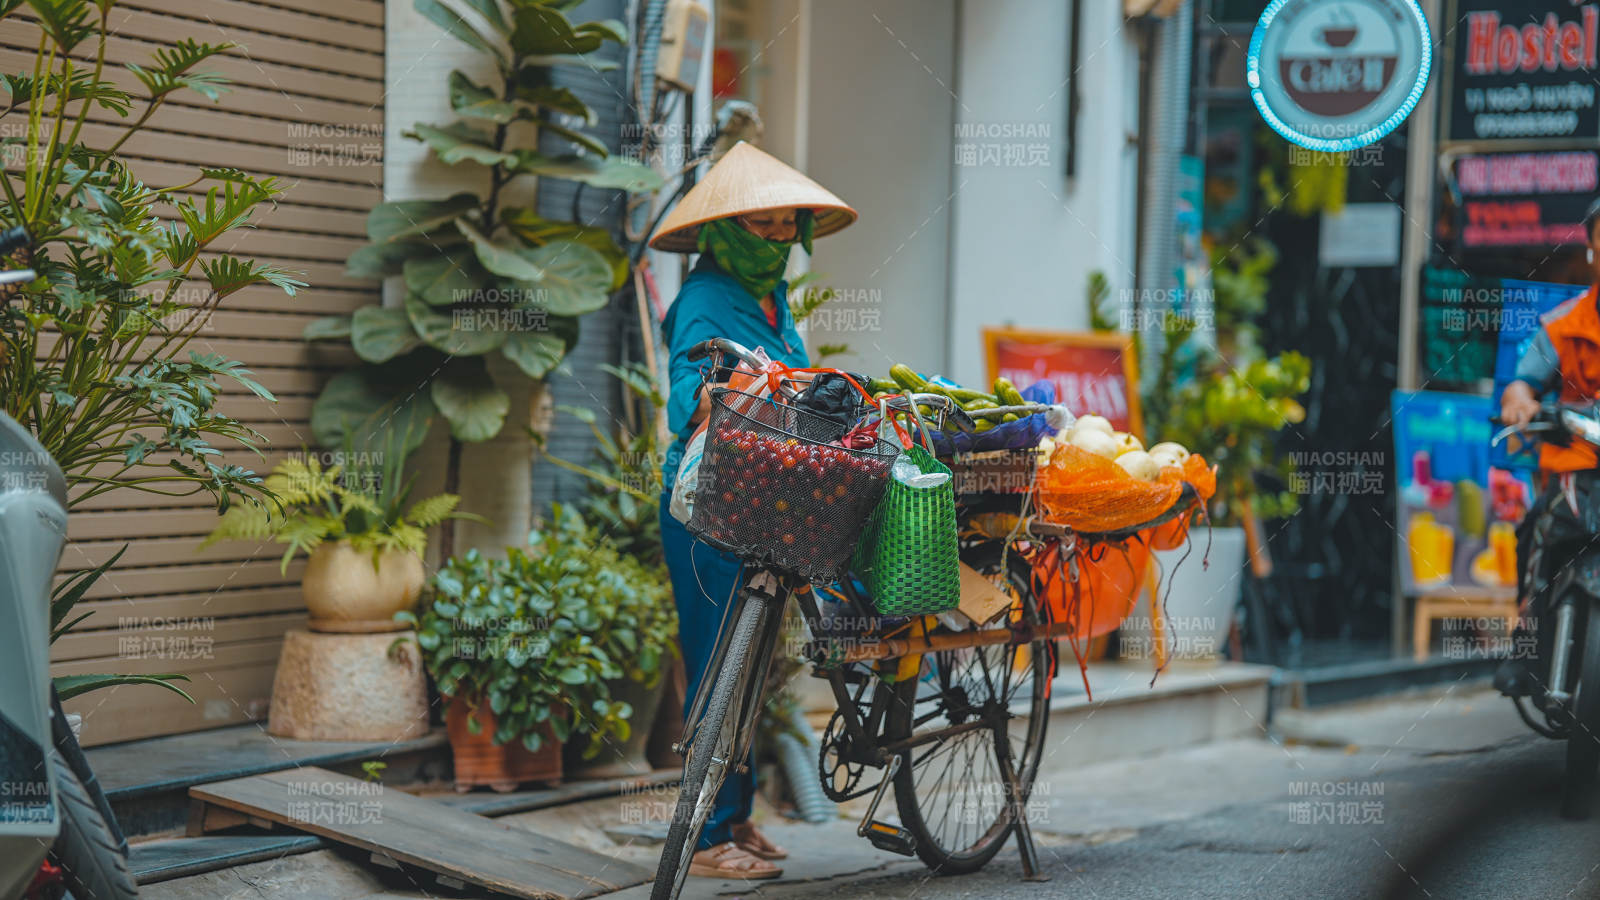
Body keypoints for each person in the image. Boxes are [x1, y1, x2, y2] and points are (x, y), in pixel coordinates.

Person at [648, 141, 857, 880]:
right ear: (727, 232)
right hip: (707, 509)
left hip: (763, 502)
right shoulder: (707, 298)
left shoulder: (771, 297)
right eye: (759, 226)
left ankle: (734, 816)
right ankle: (705, 839)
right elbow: (686, 391)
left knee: (749, 673)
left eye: (782, 226)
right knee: (715, 670)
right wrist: (711, 393)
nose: (773, 239)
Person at [1495, 198, 1600, 698]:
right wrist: (1519, 402)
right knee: (1538, 526)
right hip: (1575, 465)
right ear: (1593, 248)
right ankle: (1527, 641)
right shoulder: (1564, 323)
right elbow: (1523, 384)